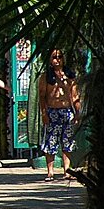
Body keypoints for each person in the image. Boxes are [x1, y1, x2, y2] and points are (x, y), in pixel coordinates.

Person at [38, 49, 81, 181]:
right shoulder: (46, 77)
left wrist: (78, 113)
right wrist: (44, 113)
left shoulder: (70, 76)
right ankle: (50, 172)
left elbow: (75, 96)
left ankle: (67, 171)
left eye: (60, 57)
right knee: (50, 142)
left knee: (67, 142)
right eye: (54, 57)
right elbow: (42, 96)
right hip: (52, 112)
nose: (57, 60)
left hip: (67, 111)